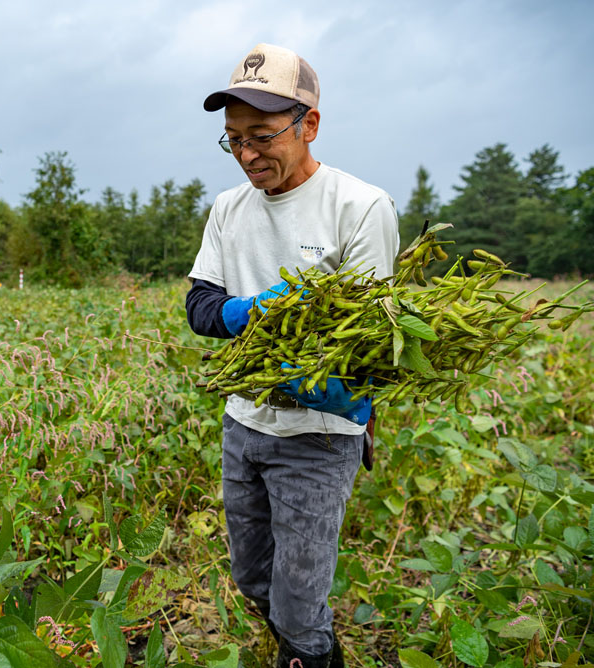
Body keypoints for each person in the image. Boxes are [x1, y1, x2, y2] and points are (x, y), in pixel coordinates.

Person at [185, 43, 400, 668]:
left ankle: (309, 653)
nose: (248, 155)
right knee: (254, 580)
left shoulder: (359, 207)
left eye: (262, 136)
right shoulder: (228, 209)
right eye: (233, 140)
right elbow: (200, 306)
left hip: (320, 433)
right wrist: (251, 311)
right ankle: (291, 638)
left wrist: (317, 383)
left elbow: (363, 339)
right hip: (244, 422)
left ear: (308, 124)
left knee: (300, 607)